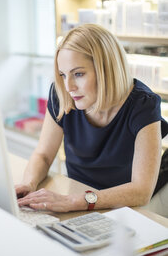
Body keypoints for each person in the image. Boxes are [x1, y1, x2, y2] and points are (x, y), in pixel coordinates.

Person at [16, 24, 168, 213]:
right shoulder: (62, 95)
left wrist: (74, 201)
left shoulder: (143, 105)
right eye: (63, 75)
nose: (69, 86)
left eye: (78, 74)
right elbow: (44, 155)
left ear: (106, 70)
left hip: (129, 204)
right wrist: (28, 184)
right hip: (82, 196)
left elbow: (141, 191)